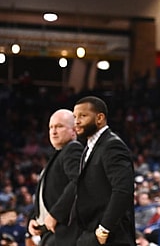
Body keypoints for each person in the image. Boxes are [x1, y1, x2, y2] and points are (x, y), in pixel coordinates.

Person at [72, 96, 136, 246]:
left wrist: (104, 230)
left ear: (100, 118)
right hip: (91, 234)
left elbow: (123, 190)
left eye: (83, 116)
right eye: (75, 116)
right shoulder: (89, 147)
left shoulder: (112, 145)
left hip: (112, 237)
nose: (77, 121)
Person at [27, 109, 83, 245]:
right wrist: (34, 218)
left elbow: (78, 182)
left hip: (64, 234)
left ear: (74, 130)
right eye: (51, 127)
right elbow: (47, 194)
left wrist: (55, 215)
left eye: (59, 126)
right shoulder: (59, 154)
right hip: (50, 234)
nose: (53, 131)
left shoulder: (73, 148)